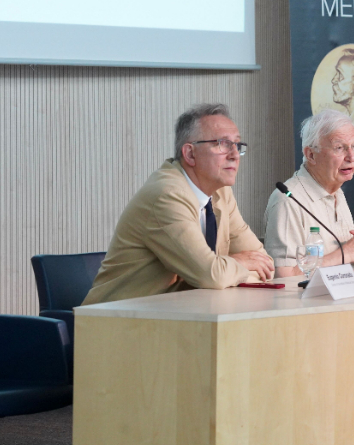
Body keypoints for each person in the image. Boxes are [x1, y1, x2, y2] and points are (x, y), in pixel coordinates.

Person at [83, 104, 274, 305]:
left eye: (237, 145)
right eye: (222, 144)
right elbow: (212, 276)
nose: (234, 155)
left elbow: (265, 264)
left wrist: (229, 269)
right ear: (190, 154)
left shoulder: (220, 192)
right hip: (116, 322)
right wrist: (238, 262)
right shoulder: (167, 195)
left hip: (178, 316)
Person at [264, 110, 354, 277]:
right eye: (339, 148)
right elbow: (284, 276)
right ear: (311, 155)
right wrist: (345, 253)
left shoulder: (337, 193)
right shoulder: (287, 201)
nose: (352, 157)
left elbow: (347, 265)